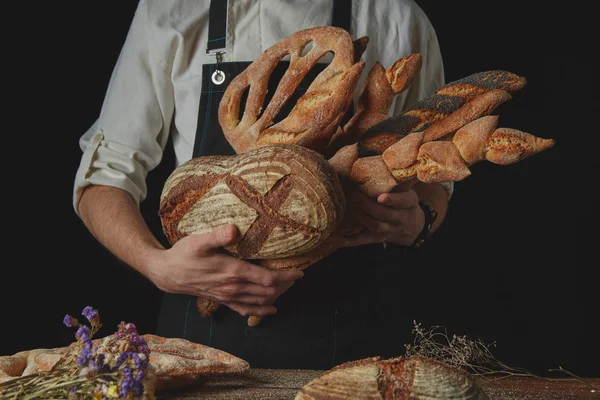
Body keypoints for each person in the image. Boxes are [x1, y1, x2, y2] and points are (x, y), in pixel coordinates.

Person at [73, 0, 452, 369]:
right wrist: (156, 265)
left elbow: (437, 169)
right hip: (199, 351)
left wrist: (420, 220)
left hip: (357, 347)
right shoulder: (171, 10)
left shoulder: (398, 16)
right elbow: (103, 178)